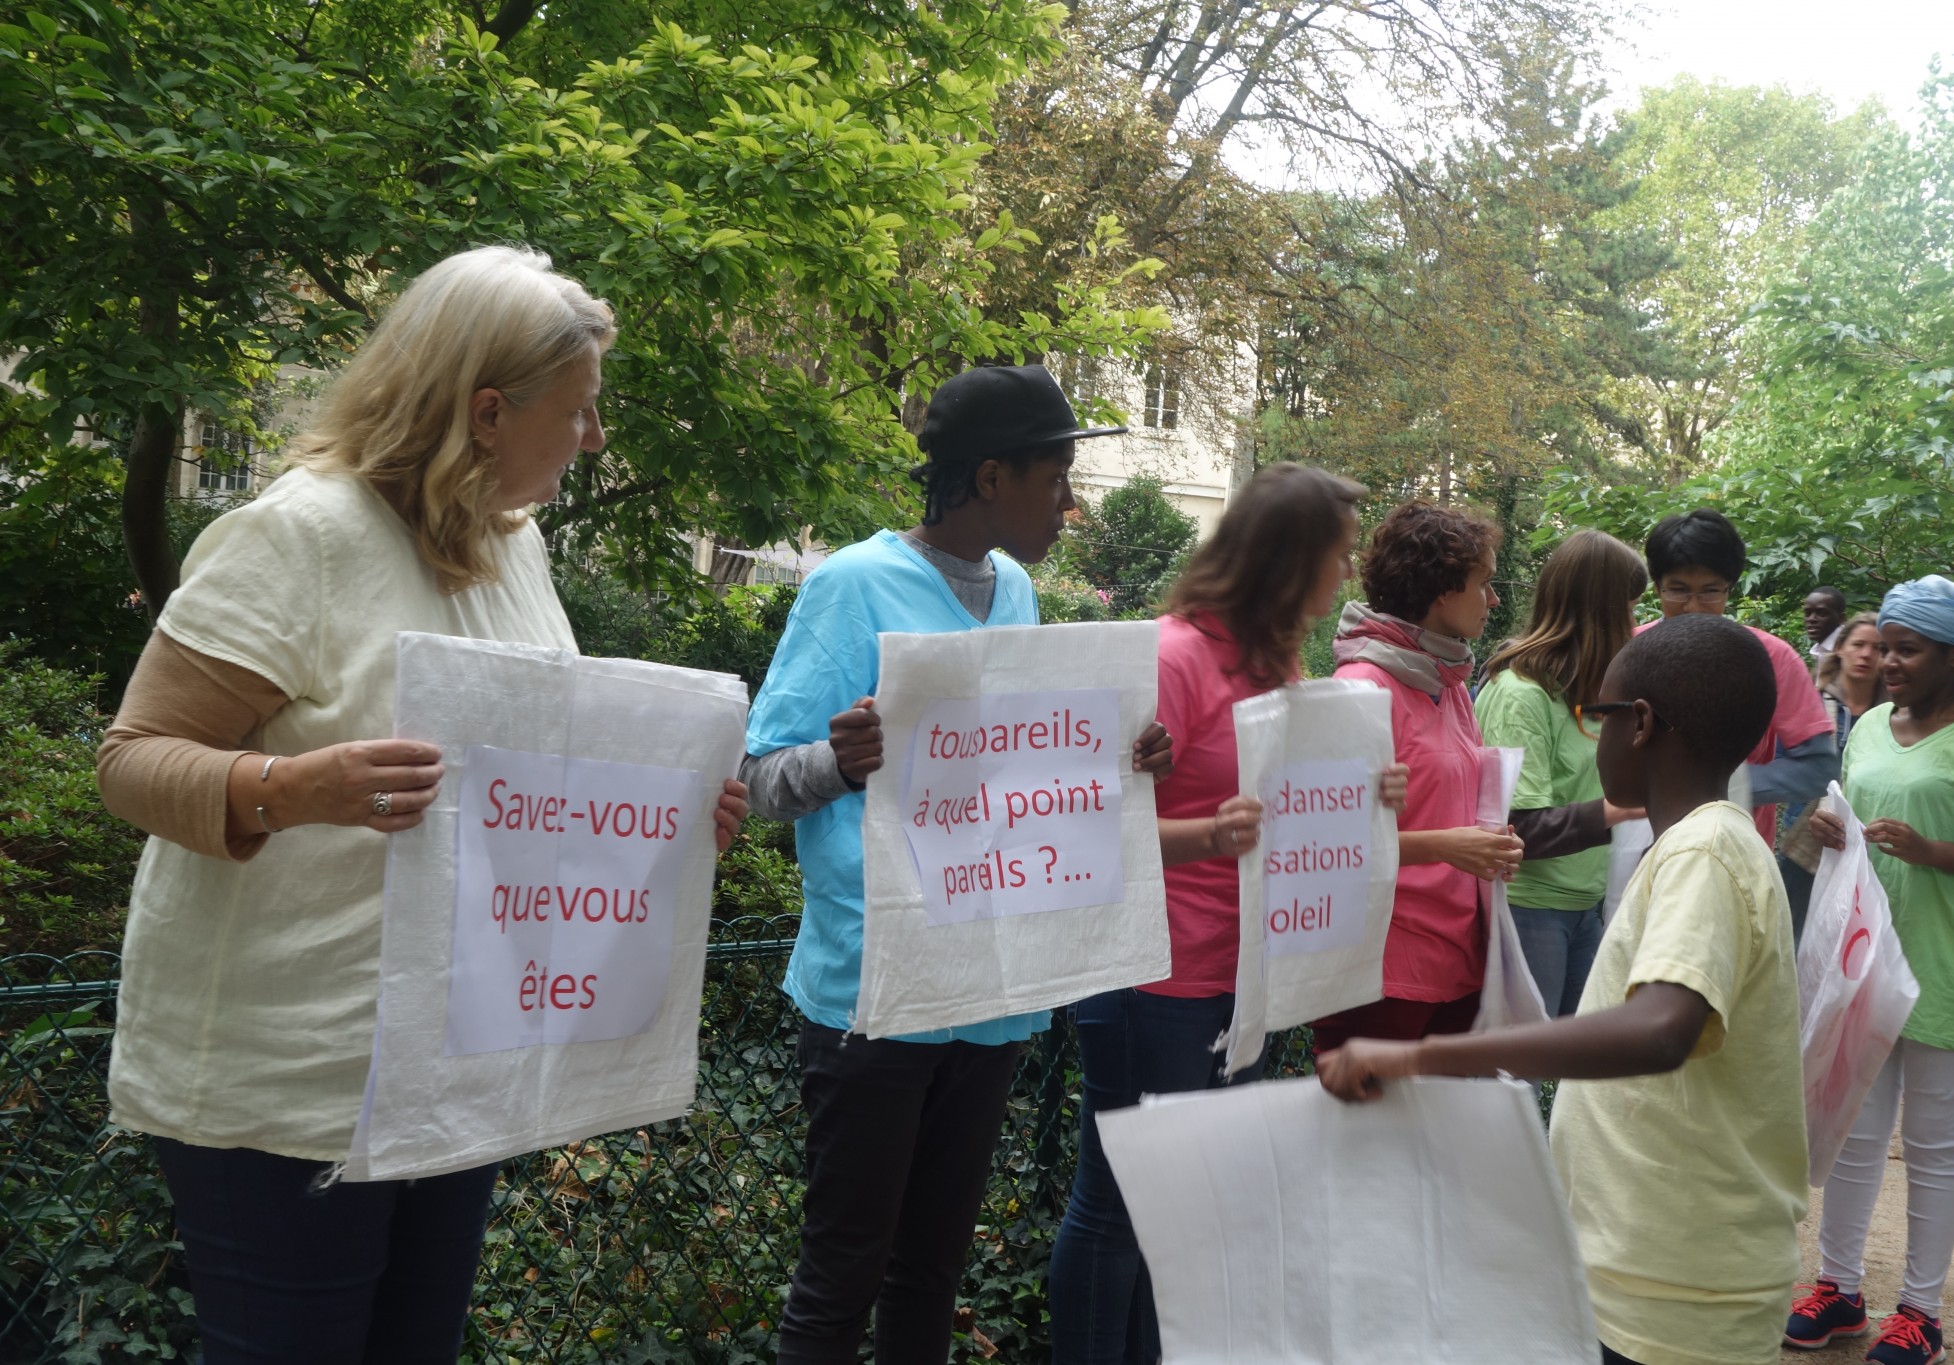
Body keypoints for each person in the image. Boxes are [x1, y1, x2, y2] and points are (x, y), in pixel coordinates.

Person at [94, 247, 752, 1365]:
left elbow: (526, 780)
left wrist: (668, 818)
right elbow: (131, 761)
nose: (595, 440)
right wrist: (291, 788)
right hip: (289, 1087)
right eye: (579, 410)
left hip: (447, 1074)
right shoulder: (297, 535)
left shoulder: (511, 545)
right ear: (487, 412)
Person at [742, 364, 1171, 1365]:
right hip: (873, 995)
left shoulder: (1015, 590)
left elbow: (1011, 767)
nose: (1069, 506)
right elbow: (760, 778)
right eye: (1055, 478)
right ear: (990, 478)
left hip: (988, 991)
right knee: (839, 1278)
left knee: (931, 1272)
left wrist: (1125, 758)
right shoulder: (851, 587)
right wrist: (836, 764)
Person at [1319, 613, 1806, 1365]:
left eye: (1595, 717)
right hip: (1649, 1270)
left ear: (1639, 724)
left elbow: (1659, 1029)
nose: (1591, 736)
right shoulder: (1698, 842)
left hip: (1676, 1296)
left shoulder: (1706, 852)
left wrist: (1417, 1057)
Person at [1047, 463, 1408, 1365]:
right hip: (1153, 979)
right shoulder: (1172, 657)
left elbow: (1285, 803)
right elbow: (1089, 826)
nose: (1349, 573)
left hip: (1237, 981)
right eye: (1339, 555)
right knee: (1122, 1205)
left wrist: (1368, 792)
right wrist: (1207, 836)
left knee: (1194, 1208)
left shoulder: (1278, 662)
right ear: (1288, 561)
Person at [1787, 577, 1954, 1365]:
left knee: (1934, 1142)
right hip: (1865, 958)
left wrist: (1930, 850)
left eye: (1908, 649)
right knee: (1855, 1133)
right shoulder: (1867, 726)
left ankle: (1921, 1314)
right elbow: (1849, 814)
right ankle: (1839, 1288)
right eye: (1885, 646)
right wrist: (1828, 830)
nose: (1888, 661)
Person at [1313, 501, 1524, 1051]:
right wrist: (1449, 847)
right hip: (1382, 971)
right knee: (1368, 1137)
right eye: (1484, 584)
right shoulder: (1363, 686)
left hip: (1459, 960)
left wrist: (1491, 846)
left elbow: (1451, 806)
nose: (1494, 599)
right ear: (1442, 589)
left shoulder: (1451, 683)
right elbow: (1324, 845)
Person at [1474, 529, 1650, 1017]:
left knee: (1587, 1067)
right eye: (1630, 608)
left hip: (1584, 906)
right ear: (1603, 612)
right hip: (1529, 908)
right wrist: (1624, 809)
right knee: (1519, 1073)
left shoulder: (1586, 691)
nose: (1635, 624)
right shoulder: (1521, 695)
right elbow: (1520, 829)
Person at [1641, 509, 1838, 844]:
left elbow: (1818, 769)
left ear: (1729, 589)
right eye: (1678, 590)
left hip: (1732, 851)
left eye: (1709, 592)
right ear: (1657, 587)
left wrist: (1717, 788)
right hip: (1630, 852)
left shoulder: (1771, 658)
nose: (1693, 606)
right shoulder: (1629, 651)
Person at [1780, 613, 1883, 932]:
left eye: (1878, 648)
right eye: (1858, 644)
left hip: (1870, 840)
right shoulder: (1812, 701)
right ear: (1839, 649)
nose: (1866, 654)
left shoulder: (1894, 715)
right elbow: (1782, 761)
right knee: (1794, 927)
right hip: (1806, 835)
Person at [1807, 586, 1849, 666]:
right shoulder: (1820, 650)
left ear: (1841, 618)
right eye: (1807, 613)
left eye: (1822, 613)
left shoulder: (1848, 651)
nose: (1811, 619)